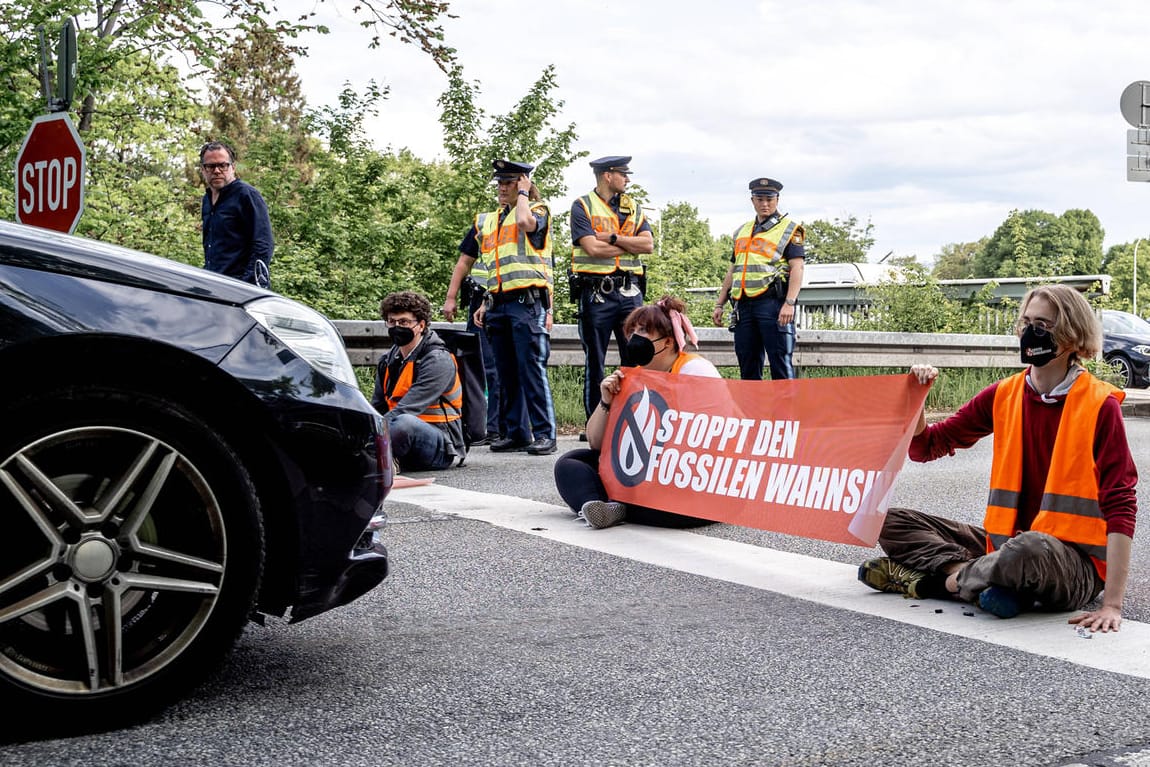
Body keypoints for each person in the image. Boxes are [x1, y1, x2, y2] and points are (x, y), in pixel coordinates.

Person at [858, 285, 1137, 632]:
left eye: (1044, 325)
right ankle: (988, 585)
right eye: (1026, 322)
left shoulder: (1099, 404)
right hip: (1004, 546)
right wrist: (918, 402)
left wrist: (1112, 604)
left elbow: (1121, 504)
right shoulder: (1004, 394)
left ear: (1072, 335)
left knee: (1031, 547)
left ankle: (942, 584)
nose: (1030, 332)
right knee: (885, 518)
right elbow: (927, 447)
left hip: (1071, 563)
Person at [554, 295, 721, 529]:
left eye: (644, 331)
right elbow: (596, 443)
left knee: (663, 493)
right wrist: (606, 401)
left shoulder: (694, 369)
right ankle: (599, 506)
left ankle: (620, 505)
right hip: (646, 472)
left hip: (685, 473)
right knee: (570, 463)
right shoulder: (635, 377)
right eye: (633, 331)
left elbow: (714, 434)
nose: (635, 338)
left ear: (668, 342)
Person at [446, 159, 557, 456]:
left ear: (522, 183)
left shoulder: (537, 210)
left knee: (531, 371)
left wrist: (525, 193)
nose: (501, 188)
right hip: (498, 303)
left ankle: (545, 433)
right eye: (499, 183)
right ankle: (517, 433)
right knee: (506, 374)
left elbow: (525, 224)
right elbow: (492, 266)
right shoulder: (489, 220)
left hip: (527, 303)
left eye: (508, 182)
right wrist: (485, 302)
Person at [570, 155, 654, 422]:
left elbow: (648, 245)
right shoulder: (582, 206)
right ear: (608, 175)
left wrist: (614, 238)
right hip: (597, 294)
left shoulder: (633, 206)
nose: (627, 179)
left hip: (630, 293)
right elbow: (592, 249)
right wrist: (630, 243)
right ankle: (596, 422)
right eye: (623, 174)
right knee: (595, 361)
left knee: (636, 358)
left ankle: (632, 419)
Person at [711, 177, 805, 380]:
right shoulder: (741, 231)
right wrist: (719, 304)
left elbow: (797, 267)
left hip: (773, 304)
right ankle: (751, 412)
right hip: (744, 306)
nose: (765, 204)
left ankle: (785, 413)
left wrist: (790, 303)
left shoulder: (790, 229)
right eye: (760, 199)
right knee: (747, 364)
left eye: (769, 199)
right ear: (752, 200)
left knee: (780, 363)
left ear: (777, 200)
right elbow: (733, 269)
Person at [371, 291, 466, 471]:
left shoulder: (438, 360)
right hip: (399, 435)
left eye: (404, 322)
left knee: (404, 422)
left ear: (421, 325)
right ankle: (383, 460)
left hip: (441, 445)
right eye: (392, 322)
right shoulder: (387, 360)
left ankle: (378, 461)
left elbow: (407, 409)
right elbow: (377, 407)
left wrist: (369, 434)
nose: (396, 327)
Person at [199, 141, 273, 288]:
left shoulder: (247, 195)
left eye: (223, 165)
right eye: (211, 166)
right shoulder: (207, 200)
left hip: (241, 290)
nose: (217, 171)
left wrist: (245, 286)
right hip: (214, 286)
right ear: (203, 169)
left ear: (233, 167)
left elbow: (263, 245)